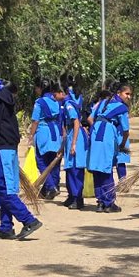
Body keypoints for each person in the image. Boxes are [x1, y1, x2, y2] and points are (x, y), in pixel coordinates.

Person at [0, 65, 42, 240]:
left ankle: (29, 220)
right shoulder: (2, 95)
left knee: (4, 190)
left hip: (1, 149)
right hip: (7, 147)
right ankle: (6, 227)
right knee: (3, 189)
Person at [87, 82, 131, 213]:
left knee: (97, 168)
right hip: (107, 134)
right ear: (118, 93)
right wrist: (122, 144)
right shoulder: (121, 107)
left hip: (96, 134)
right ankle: (109, 202)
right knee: (106, 168)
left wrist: (97, 126)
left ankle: (100, 201)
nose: (129, 97)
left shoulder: (102, 103)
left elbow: (90, 118)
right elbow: (126, 130)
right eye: (127, 94)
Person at [28, 78, 65, 199]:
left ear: (40, 88)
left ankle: (51, 186)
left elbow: (35, 120)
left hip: (43, 132)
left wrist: (31, 135)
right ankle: (50, 188)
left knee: (41, 161)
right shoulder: (56, 101)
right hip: (55, 131)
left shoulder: (40, 102)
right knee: (53, 161)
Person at [61, 76, 89, 210]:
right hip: (76, 135)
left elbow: (76, 122)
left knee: (74, 169)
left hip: (75, 135)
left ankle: (78, 198)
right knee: (71, 168)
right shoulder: (78, 97)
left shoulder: (68, 103)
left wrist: (73, 143)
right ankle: (72, 196)